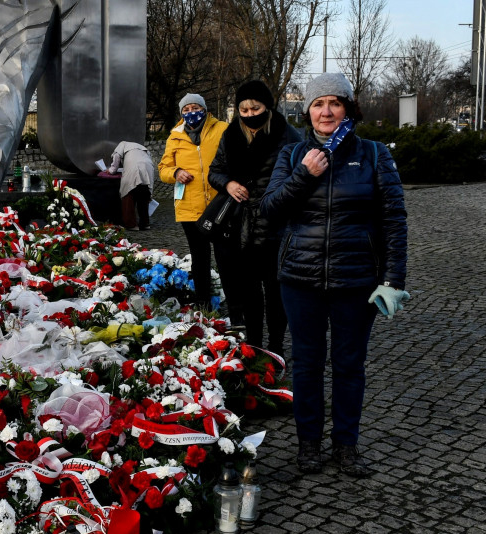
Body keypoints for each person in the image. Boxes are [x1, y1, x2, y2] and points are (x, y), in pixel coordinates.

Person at [261, 73, 409, 478]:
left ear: (348, 107)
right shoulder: (293, 155)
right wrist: (304, 175)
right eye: (317, 104)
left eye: (335, 103)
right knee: (307, 365)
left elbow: (394, 219)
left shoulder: (375, 155)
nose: (326, 111)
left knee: (349, 365)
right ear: (307, 111)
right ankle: (308, 445)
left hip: (356, 281)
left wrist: (393, 279)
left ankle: (346, 446)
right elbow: (269, 209)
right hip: (299, 280)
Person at [207, 79, 302, 353]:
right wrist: (228, 184)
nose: (250, 115)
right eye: (244, 110)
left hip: (276, 225)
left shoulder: (288, 135)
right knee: (248, 291)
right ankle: (254, 344)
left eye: (255, 108)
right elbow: (216, 170)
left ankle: (275, 346)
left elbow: (301, 179)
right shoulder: (231, 135)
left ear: (267, 107)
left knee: (275, 292)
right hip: (241, 225)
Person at [158, 94, 228, 310]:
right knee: (200, 258)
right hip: (189, 206)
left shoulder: (223, 129)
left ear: (205, 109)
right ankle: (203, 303)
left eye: (195, 107)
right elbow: (163, 168)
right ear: (181, 113)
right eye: (186, 109)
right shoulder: (174, 136)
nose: (191, 112)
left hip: (220, 205)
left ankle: (236, 304)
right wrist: (176, 172)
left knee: (226, 257)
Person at [109, 141, 155, 230]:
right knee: (144, 195)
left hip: (134, 167)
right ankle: (145, 223)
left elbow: (117, 156)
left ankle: (131, 224)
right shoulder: (141, 147)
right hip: (148, 166)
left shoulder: (122, 144)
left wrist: (111, 170)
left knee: (128, 194)